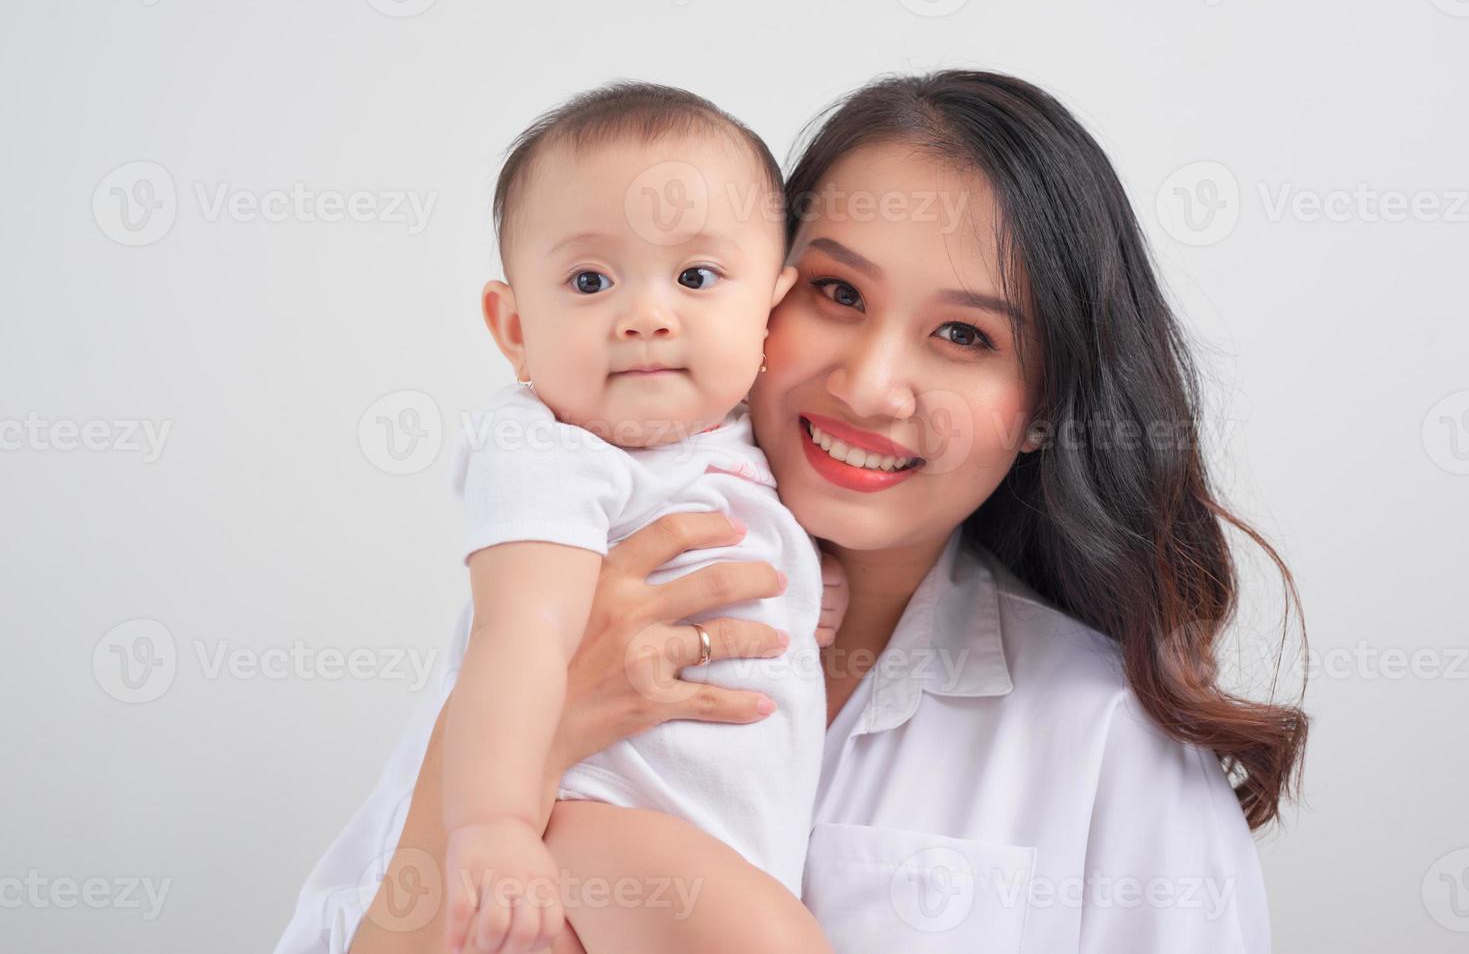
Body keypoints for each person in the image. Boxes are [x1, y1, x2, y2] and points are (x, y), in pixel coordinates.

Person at [276, 69, 1307, 954]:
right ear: (763, 291)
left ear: (1041, 404)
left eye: (963, 336)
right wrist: (530, 751)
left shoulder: (1105, 738)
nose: (868, 385)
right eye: (838, 295)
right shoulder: (578, 607)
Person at [438, 83, 846, 953]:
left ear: (769, 308)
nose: (646, 317)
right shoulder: (547, 450)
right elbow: (521, 633)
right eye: (590, 281)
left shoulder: (735, 436)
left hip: (720, 838)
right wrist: (496, 823)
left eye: (696, 278)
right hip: (581, 820)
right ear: (512, 326)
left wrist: (815, 587)